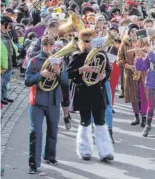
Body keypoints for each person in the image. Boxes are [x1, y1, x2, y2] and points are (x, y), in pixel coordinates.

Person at [67, 29, 114, 162]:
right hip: (83, 91)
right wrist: (81, 70)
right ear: (81, 42)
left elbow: (108, 69)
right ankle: (85, 150)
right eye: (86, 41)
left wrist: (104, 75)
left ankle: (105, 152)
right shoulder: (77, 55)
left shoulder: (101, 54)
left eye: (91, 40)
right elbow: (68, 73)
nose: (89, 44)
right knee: (85, 121)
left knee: (100, 121)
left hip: (98, 91)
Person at [25, 35, 67, 174]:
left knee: (53, 131)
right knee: (36, 132)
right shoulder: (35, 61)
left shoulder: (59, 61)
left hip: (54, 101)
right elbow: (27, 81)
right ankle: (33, 164)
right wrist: (41, 75)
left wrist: (59, 72)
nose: (49, 49)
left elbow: (66, 82)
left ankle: (50, 156)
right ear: (42, 46)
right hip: (37, 101)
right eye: (46, 46)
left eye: (51, 46)